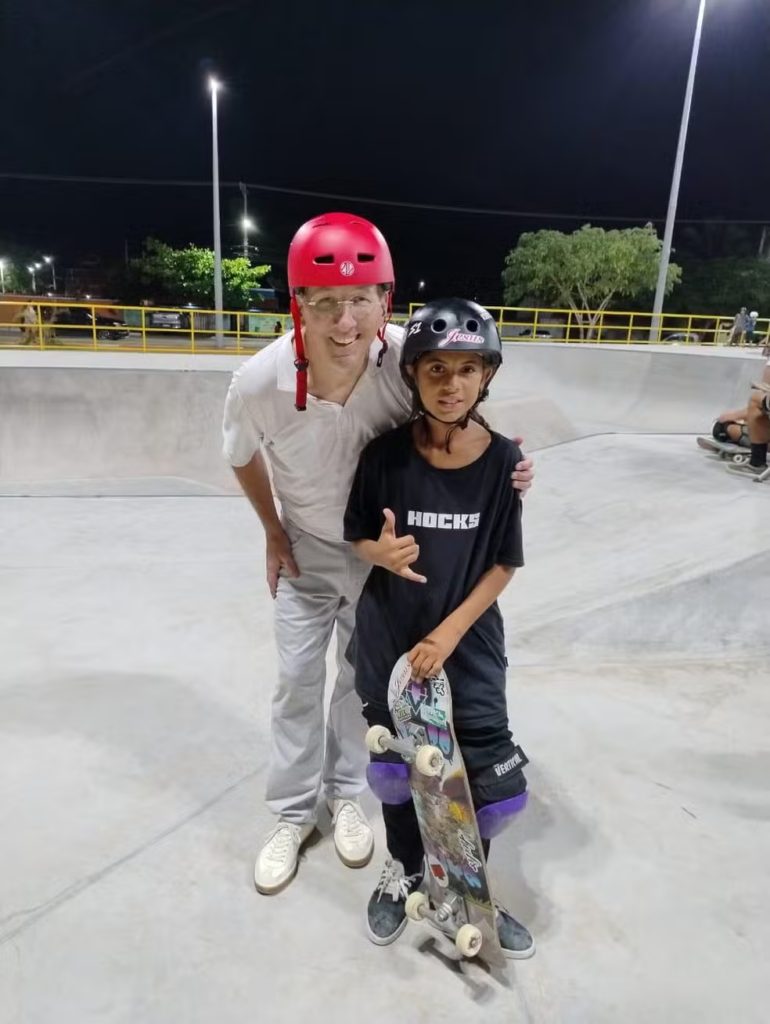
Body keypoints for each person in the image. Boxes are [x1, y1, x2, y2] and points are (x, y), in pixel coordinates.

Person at [221, 214, 535, 896]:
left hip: (377, 560)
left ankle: (342, 798)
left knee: (357, 685)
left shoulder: (401, 357)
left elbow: (457, 400)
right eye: (326, 303)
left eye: (361, 300)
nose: (345, 323)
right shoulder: (258, 382)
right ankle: (290, 814)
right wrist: (272, 529)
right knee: (296, 681)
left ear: (385, 302)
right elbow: (241, 456)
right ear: (297, 303)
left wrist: (509, 464)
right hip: (306, 551)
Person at [343, 298, 534, 958]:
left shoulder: (504, 462)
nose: (451, 385)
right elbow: (358, 535)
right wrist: (379, 553)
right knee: (398, 777)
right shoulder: (384, 457)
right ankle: (407, 872)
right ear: (414, 376)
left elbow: (505, 562)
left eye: (467, 370)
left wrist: (450, 634)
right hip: (388, 639)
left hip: (470, 646)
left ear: (487, 377)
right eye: (436, 370)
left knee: (498, 797)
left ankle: (470, 884)